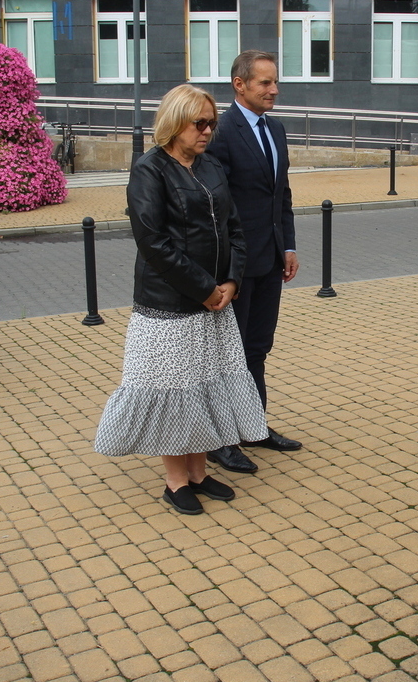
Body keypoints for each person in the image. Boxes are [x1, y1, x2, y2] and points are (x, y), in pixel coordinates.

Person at [94, 83, 268, 515]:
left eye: (212, 123)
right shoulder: (150, 169)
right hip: (168, 307)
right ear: (175, 123)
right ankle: (175, 481)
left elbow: (235, 229)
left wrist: (231, 280)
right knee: (174, 391)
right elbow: (153, 242)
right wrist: (204, 288)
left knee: (205, 386)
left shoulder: (210, 166)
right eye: (200, 123)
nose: (208, 131)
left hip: (214, 302)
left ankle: (197, 471)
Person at [205, 51, 303, 475]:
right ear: (239, 85)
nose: (274, 90)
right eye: (265, 83)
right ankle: (222, 441)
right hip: (237, 265)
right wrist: (228, 268)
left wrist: (289, 246)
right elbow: (219, 207)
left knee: (257, 347)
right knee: (229, 354)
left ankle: (254, 426)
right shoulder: (221, 131)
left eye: (275, 82)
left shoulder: (276, 128)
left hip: (271, 258)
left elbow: (280, 193)